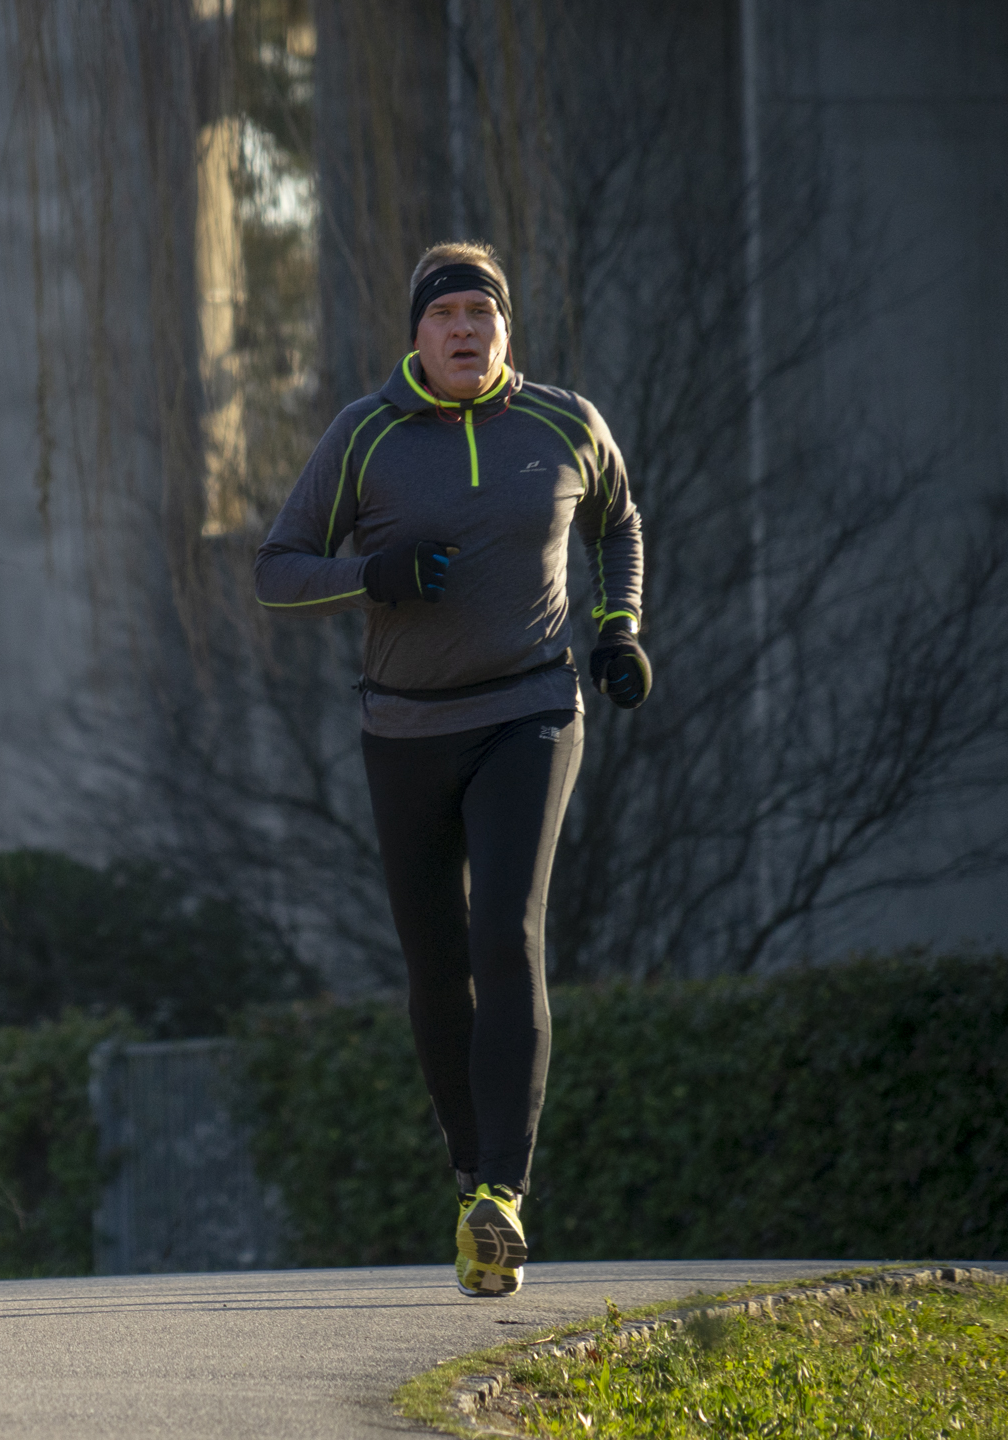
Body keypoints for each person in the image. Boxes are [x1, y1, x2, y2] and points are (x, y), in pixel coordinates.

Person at [252, 242, 649, 1298]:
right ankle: (471, 1180)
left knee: (504, 934)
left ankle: (505, 1194)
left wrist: (617, 628)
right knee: (436, 964)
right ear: (417, 335)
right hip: (404, 729)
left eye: (482, 313)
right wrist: (371, 574)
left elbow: (618, 519)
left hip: (530, 708)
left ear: (506, 329)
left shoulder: (564, 422)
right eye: (446, 316)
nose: (466, 330)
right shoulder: (365, 434)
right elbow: (274, 572)